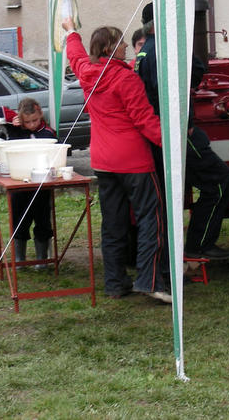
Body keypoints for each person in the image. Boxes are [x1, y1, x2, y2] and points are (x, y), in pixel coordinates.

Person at [61, 16, 171, 304]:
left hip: (103, 161)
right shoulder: (126, 79)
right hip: (134, 161)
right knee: (151, 219)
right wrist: (173, 143)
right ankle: (149, 280)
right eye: (121, 42)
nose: (126, 46)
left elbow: (75, 56)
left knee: (113, 224)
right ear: (110, 48)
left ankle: (115, 283)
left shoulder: (87, 72)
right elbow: (144, 119)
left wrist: (71, 31)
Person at [135, 2, 229, 260]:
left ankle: (179, 249)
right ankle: (199, 244)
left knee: (168, 195)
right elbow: (185, 80)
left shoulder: (145, 51)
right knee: (219, 180)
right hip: (176, 132)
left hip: (160, 132)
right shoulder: (162, 50)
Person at [0, 97, 57, 270]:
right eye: (27, 122)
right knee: (19, 221)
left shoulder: (48, 133)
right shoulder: (14, 130)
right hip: (18, 186)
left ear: (41, 114)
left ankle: (42, 259)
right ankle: (19, 259)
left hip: (41, 187)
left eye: (35, 120)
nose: (31, 125)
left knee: (43, 220)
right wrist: (12, 122)